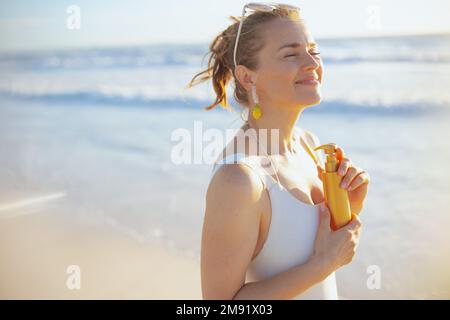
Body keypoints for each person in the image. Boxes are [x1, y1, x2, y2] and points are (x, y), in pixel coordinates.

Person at [187, 3, 370, 300]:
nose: (312, 62)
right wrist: (324, 264)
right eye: (291, 54)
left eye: (314, 50)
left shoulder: (310, 146)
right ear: (247, 77)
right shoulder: (239, 180)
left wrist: (348, 209)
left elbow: (305, 243)